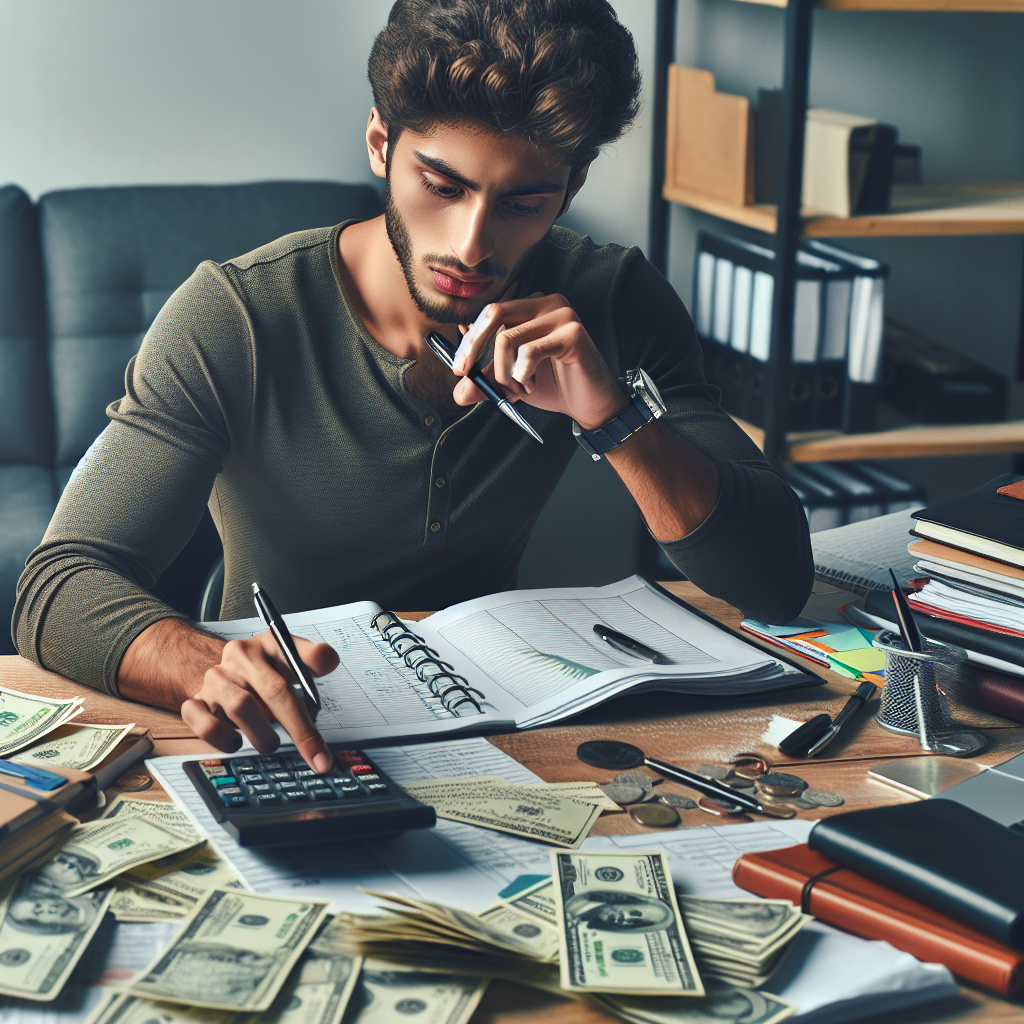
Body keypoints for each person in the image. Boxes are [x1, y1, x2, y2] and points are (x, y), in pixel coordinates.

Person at [14, 0, 813, 774]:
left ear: (571, 186)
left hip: (504, 728)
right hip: (285, 727)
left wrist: (613, 418)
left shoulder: (610, 299)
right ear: (379, 143)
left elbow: (774, 579)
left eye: (523, 202)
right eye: (442, 184)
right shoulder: (239, 316)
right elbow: (57, 583)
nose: (471, 245)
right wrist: (202, 664)